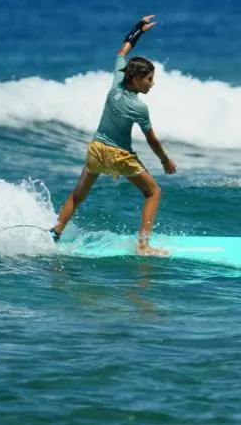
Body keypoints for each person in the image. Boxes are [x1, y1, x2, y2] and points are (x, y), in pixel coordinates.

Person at [49, 15, 177, 255]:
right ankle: (143, 245)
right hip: (119, 155)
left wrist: (138, 29)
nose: (152, 84)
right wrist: (165, 160)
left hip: (97, 149)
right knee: (153, 192)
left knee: (78, 195)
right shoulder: (139, 107)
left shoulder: (117, 82)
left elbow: (122, 52)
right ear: (137, 79)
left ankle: (55, 233)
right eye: (149, 79)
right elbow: (152, 140)